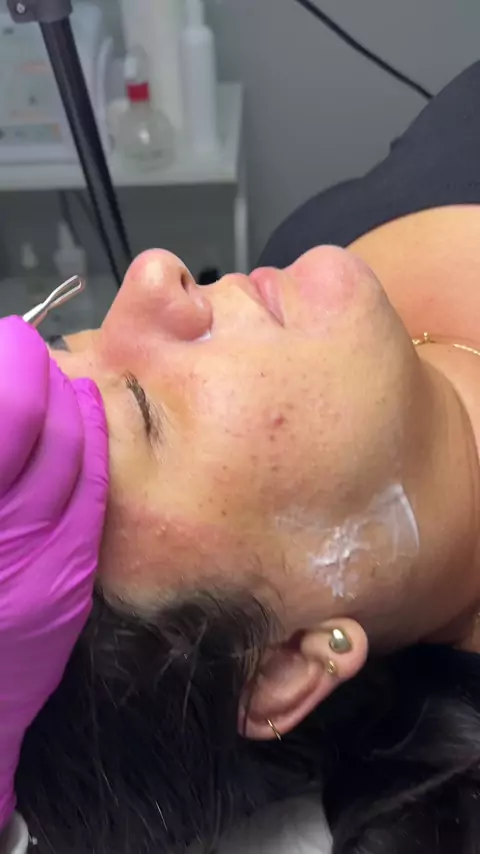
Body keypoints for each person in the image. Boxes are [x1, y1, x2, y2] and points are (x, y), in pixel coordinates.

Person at [8, 59, 480, 854]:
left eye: (76, 335)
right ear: (283, 667)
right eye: (146, 412)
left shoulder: (298, 253)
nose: (154, 274)